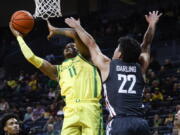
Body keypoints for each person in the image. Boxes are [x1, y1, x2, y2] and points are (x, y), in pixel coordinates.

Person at [64, 11, 162, 135]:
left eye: (117, 48)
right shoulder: (141, 67)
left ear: (120, 54)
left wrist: (77, 26)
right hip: (140, 123)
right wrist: (152, 24)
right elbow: (147, 44)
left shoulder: (108, 65)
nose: (115, 50)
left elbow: (91, 44)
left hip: (119, 123)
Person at [9, 19, 104, 135]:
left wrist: (55, 30)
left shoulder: (86, 58)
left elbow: (75, 34)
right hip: (70, 110)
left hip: (90, 107)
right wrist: (19, 37)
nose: (69, 46)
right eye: (66, 47)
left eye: (72, 45)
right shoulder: (58, 69)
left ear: (79, 49)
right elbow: (31, 57)